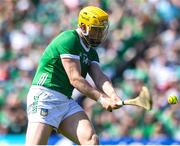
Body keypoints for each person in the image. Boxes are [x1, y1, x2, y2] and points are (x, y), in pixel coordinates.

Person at [25, 6, 122, 145]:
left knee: (91, 140)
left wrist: (113, 95)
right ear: (83, 26)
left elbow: (99, 76)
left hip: (65, 100)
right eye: (96, 30)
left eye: (101, 30)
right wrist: (101, 99)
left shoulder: (91, 51)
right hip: (44, 97)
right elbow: (75, 79)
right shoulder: (69, 39)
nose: (99, 34)